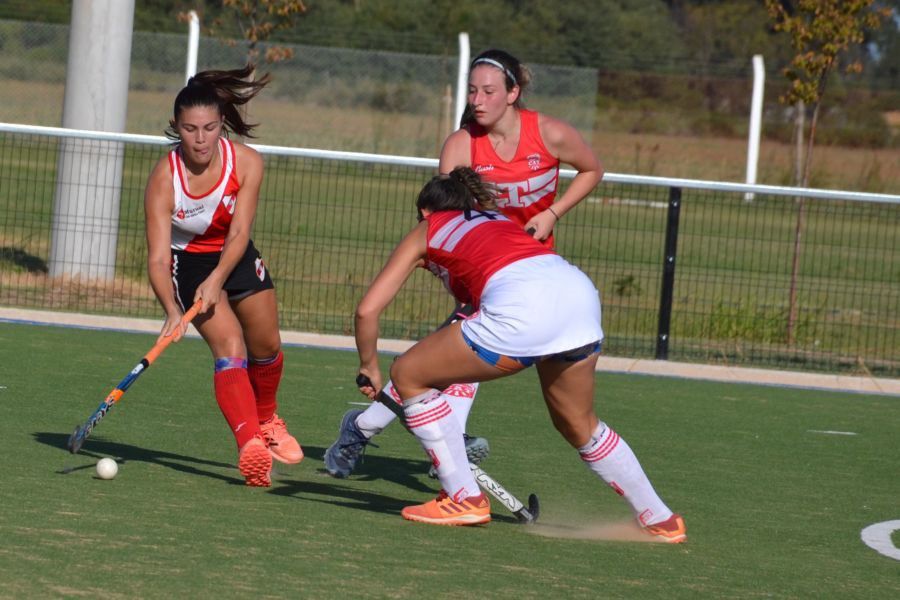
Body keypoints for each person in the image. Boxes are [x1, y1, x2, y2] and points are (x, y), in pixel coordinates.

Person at [352, 166, 685, 541]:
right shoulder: (498, 219)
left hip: (524, 309)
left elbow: (367, 310)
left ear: (426, 211)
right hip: (578, 296)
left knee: (409, 372)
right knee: (578, 423)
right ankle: (659, 518)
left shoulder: (429, 227)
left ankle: (462, 498)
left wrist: (369, 366)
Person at [324, 48, 603, 479]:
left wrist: (553, 212)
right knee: (454, 361)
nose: (477, 100)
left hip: (534, 273)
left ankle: (366, 428)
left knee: (442, 364)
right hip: (481, 271)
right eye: (472, 90)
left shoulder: (549, 133)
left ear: (514, 93)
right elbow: (444, 214)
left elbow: (591, 169)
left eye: (488, 91)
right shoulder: (461, 144)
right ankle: (442, 450)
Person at [144, 64, 303, 487]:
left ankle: (267, 419)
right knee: (231, 345)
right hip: (188, 261)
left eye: (209, 128)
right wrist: (172, 309)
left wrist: (217, 280)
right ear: (176, 127)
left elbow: (240, 233)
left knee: (266, 344)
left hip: (234, 253)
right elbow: (159, 259)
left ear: (221, 126)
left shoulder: (247, 163)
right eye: (190, 129)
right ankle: (250, 444)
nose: (200, 139)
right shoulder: (164, 178)